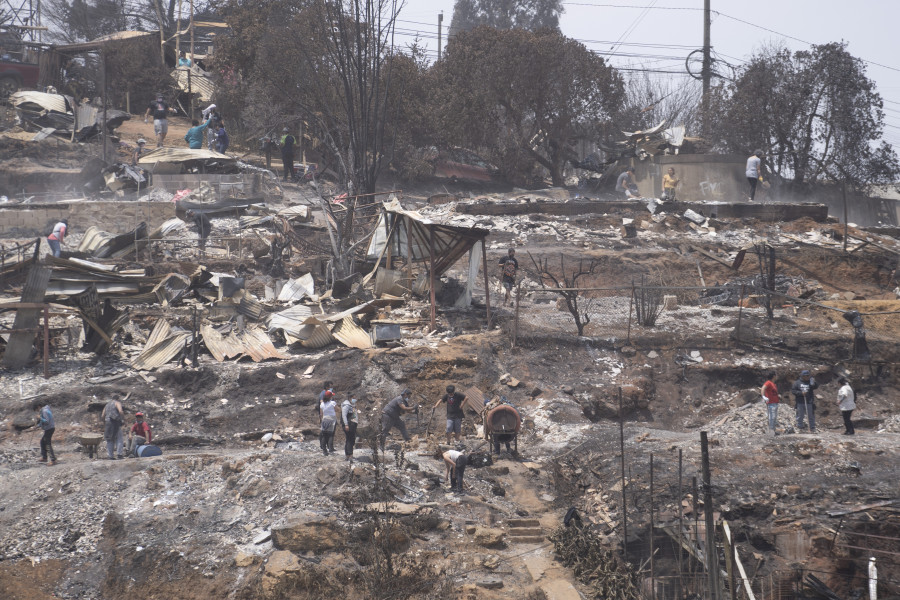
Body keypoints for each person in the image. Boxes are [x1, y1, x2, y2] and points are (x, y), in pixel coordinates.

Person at [761, 371, 780, 436]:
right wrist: (763, 396)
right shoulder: (768, 382)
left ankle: (773, 430)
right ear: (774, 376)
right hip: (771, 403)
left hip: (775, 402)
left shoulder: (773, 384)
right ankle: (771, 431)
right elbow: (763, 388)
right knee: (772, 417)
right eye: (776, 375)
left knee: (774, 417)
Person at [341, 396, 359, 461]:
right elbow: (344, 415)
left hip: (352, 424)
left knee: (350, 439)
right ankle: (350, 455)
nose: (355, 399)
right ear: (350, 398)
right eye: (353, 398)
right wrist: (346, 424)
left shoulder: (352, 405)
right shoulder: (346, 405)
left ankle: (348, 455)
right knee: (350, 439)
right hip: (349, 424)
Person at [320, 390, 337, 455]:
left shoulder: (322, 404)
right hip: (331, 419)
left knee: (324, 435)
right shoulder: (332, 403)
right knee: (330, 435)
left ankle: (324, 450)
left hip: (324, 419)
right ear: (330, 396)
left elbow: (321, 413)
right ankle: (330, 449)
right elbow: (337, 409)